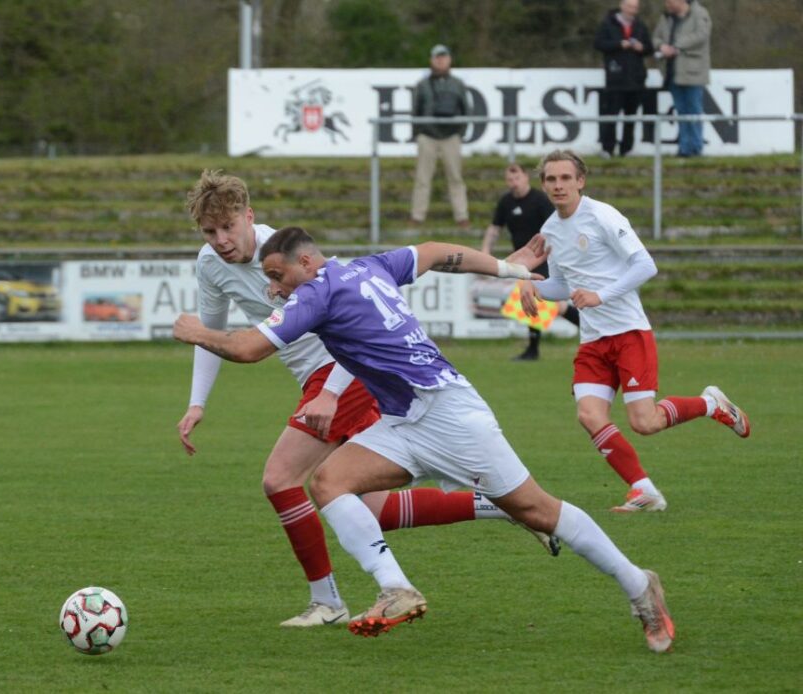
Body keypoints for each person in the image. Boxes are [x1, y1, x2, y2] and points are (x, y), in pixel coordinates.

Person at [173, 226, 677, 654]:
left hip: (448, 414)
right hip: (402, 417)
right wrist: (508, 268)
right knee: (328, 482)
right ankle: (395, 588)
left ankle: (639, 585)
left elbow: (246, 348)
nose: (276, 290)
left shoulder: (316, 292)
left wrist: (196, 330)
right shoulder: (369, 266)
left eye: (278, 277)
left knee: (538, 510)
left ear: (306, 262)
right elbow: (436, 253)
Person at [178, 170, 557, 628]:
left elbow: (357, 323)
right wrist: (198, 403)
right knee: (369, 507)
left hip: (340, 376)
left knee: (280, 480)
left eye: (228, 227)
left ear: (249, 216)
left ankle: (327, 602)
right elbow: (213, 332)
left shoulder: (289, 255)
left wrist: (332, 393)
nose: (220, 239)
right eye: (210, 231)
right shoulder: (209, 264)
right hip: (322, 384)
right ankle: (500, 503)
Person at [520, 150, 749, 513]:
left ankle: (710, 404)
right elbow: (563, 284)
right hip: (594, 341)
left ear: (581, 181)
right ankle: (644, 491)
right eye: (551, 179)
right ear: (543, 184)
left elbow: (645, 265)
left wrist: (601, 295)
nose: (558, 185)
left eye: (566, 178)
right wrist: (533, 285)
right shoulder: (550, 230)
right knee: (589, 415)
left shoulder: (602, 215)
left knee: (646, 422)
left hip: (629, 332)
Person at [481, 162, 581, 361]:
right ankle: (534, 349)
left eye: (517, 178)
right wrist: (485, 251)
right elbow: (494, 228)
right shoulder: (506, 202)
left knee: (547, 303)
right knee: (534, 301)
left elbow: (556, 226)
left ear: (526, 177)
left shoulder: (539, 200)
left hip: (544, 257)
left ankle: (591, 331)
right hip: (523, 262)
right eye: (509, 179)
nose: (513, 183)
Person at [410, 44, 472, 231]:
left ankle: (462, 216)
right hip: (427, 136)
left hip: (451, 136)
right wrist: (419, 133)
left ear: (449, 60)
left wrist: (459, 133)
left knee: (455, 178)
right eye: (437, 57)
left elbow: (466, 109)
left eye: (443, 57)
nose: (440, 60)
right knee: (422, 178)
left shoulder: (458, 84)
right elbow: (415, 110)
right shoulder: (422, 85)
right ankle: (417, 216)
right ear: (431, 60)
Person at [594, 0, 653, 158]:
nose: (632, 10)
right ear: (622, 6)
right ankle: (607, 148)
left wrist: (642, 48)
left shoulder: (640, 25)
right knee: (611, 115)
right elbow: (599, 44)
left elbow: (649, 48)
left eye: (635, 7)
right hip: (615, 79)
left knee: (630, 117)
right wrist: (619, 44)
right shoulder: (608, 23)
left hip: (636, 79)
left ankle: (627, 149)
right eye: (630, 6)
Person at [653, 0, 712, 157]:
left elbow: (701, 35)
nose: (667, 4)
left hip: (693, 74)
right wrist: (661, 46)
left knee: (693, 111)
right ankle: (684, 148)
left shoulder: (700, 14)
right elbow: (656, 38)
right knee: (681, 111)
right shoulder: (666, 18)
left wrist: (676, 46)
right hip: (673, 73)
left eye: (670, 1)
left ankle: (696, 148)